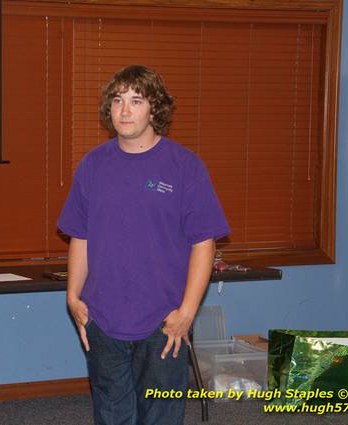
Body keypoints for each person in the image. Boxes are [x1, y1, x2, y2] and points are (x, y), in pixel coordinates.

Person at [57, 65, 230, 425]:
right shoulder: (93, 165)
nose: (124, 110)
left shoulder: (184, 166)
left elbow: (204, 244)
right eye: (118, 100)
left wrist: (186, 313)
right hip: (102, 319)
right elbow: (80, 235)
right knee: (112, 416)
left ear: (155, 109)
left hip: (164, 323)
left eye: (136, 101)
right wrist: (73, 297)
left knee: (161, 417)